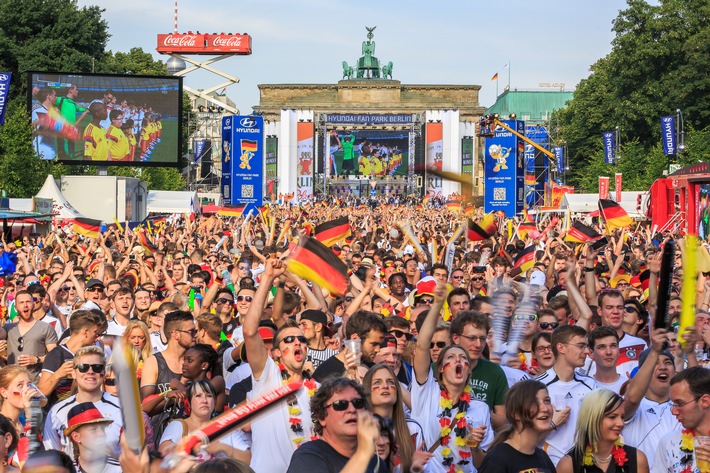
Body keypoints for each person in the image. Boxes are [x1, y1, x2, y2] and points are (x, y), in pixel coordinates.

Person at [242, 259, 317, 472]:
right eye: (289, 340)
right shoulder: (267, 377)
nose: (297, 343)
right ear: (275, 353)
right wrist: (267, 278)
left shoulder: (317, 389)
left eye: (301, 340)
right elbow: (249, 331)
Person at [412, 281, 493, 472]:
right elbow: (422, 346)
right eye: (451, 357)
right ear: (439, 368)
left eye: (463, 358)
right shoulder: (426, 395)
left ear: (468, 371)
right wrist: (438, 305)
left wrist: (474, 445)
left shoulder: (480, 409)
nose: (458, 361)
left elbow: (482, 464)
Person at [286, 377, 384, 473]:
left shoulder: (376, 463)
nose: (352, 409)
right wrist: (363, 454)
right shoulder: (306, 457)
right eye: (340, 404)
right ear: (322, 417)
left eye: (357, 403)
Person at [43, 346, 123, 461]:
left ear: (104, 373)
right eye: (83, 367)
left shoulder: (123, 408)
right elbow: (52, 458)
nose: (90, 372)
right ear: (73, 373)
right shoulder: (57, 411)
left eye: (97, 367)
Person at [535, 325, 595, 465]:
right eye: (581, 346)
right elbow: (524, 435)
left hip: (582, 464)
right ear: (561, 348)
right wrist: (553, 424)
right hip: (547, 465)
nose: (586, 351)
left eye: (587, 346)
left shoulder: (590, 384)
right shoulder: (537, 386)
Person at [159, 380, 249, 465]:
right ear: (189, 403)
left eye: (209, 396)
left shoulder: (225, 429)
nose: (204, 401)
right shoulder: (177, 426)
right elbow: (163, 457)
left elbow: (249, 460)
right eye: (198, 396)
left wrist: (223, 447)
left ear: (214, 402)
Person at [557, 389, 648, 473]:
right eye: (612, 417)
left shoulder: (637, 459)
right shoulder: (568, 465)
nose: (620, 423)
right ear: (593, 418)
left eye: (622, 417)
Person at [363, 364, 431, 473]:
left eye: (390, 382)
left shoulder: (413, 429)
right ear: (367, 391)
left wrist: (415, 470)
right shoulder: (358, 430)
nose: (385, 386)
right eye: (377, 383)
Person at [478, 380, 557, 473]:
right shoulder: (498, 458)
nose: (545, 408)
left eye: (547, 401)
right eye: (534, 402)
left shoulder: (543, 458)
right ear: (515, 414)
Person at [38, 309, 106, 408]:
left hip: (89, 411)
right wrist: (58, 374)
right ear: (85, 332)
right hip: (62, 415)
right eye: (95, 332)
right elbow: (41, 392)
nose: (98, 337)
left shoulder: (92, 355)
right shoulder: (57, 354)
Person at [652, 366, 710, 473]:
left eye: (680, 404)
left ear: (705, 401)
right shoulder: (668, 443)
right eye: (672, 404)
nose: (674, 411)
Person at [2, 290, 58, 381]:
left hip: (35, 383)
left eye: (28, 302)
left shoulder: (45, 327)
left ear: (33, 304)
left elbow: (55, 355)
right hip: (12, 383)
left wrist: (36, 359)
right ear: (16, 307)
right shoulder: (8, 328)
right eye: (21, 302)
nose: (25, 305)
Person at [64, 402, 121, 472]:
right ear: (76, 437)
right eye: (93, 430)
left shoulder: (120, 469)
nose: (101, 434)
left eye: (102, 429)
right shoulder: (67, 471)